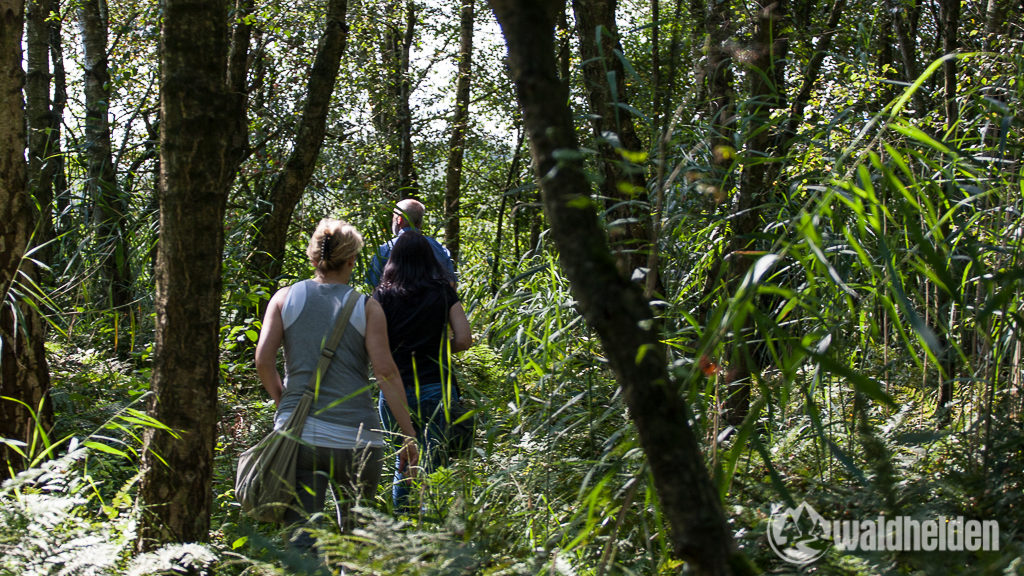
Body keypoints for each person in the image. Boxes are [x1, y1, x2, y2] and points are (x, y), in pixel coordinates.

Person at [255, 218, 419, 553]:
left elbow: (263, 360)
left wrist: (283, 402)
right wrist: (407, 434)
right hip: (358, 441)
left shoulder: (284, 298)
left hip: (300, 437)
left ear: (312, 258)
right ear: (351, 261)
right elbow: (386, 372)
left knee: (303, 542)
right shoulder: (367, 306)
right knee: (357, 545)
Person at [372, 230, 472, 511]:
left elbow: (370, 342)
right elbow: (464, 338)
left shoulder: (381, 296)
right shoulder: (443, 292)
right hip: (436, 387)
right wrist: (437, 349)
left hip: (394, 390)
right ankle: (432, 530)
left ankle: (404, 528)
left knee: (403, 460)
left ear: (394, 260)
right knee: (436, 463)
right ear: (430, 260)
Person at [365, 198, 456, 288]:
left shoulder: (384, 250)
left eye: (393, 216)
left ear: (399, 219)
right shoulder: (440, 250)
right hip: (435, 302)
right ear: (420, 222)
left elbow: (375, 290)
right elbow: (452, 287)